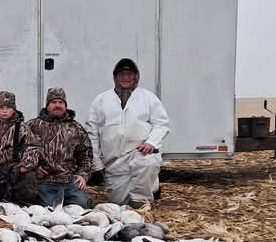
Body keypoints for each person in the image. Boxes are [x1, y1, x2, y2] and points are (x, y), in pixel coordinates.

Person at [86, 58, 170, 207]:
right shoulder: (101, 100)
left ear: (136, 76)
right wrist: (97, 162)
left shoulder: (148, 98)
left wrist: (151, 142)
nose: (125, 78)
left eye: (129, 74)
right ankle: (153, 186)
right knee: (119, 202)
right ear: (115, 77)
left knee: (148, 163)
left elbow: (161, 124)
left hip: (139, 153)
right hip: (113, 161)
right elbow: (92, 132)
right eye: (121, 74)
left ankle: (141, 198)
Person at [23, 87, 93, 208]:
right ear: (47, 105)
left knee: (81, 205)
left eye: (60, 102)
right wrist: (34, 169)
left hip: (69, 181)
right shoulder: (32, 126)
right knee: (48, 208)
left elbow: (86, 153)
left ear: (65, 105)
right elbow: (20, 152)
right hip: (45, 181)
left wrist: (83, 174)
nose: (57, 105)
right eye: (53, 102)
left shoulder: (75, 128)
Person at [0, 91, 35, 203]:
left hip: (13, 171)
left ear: (14, 109)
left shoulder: (22, 128)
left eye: (8, 107)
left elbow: (33, 147)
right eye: (1, 107)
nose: (4, 111)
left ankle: (22, 204)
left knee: (29, 176)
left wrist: (25, 164)